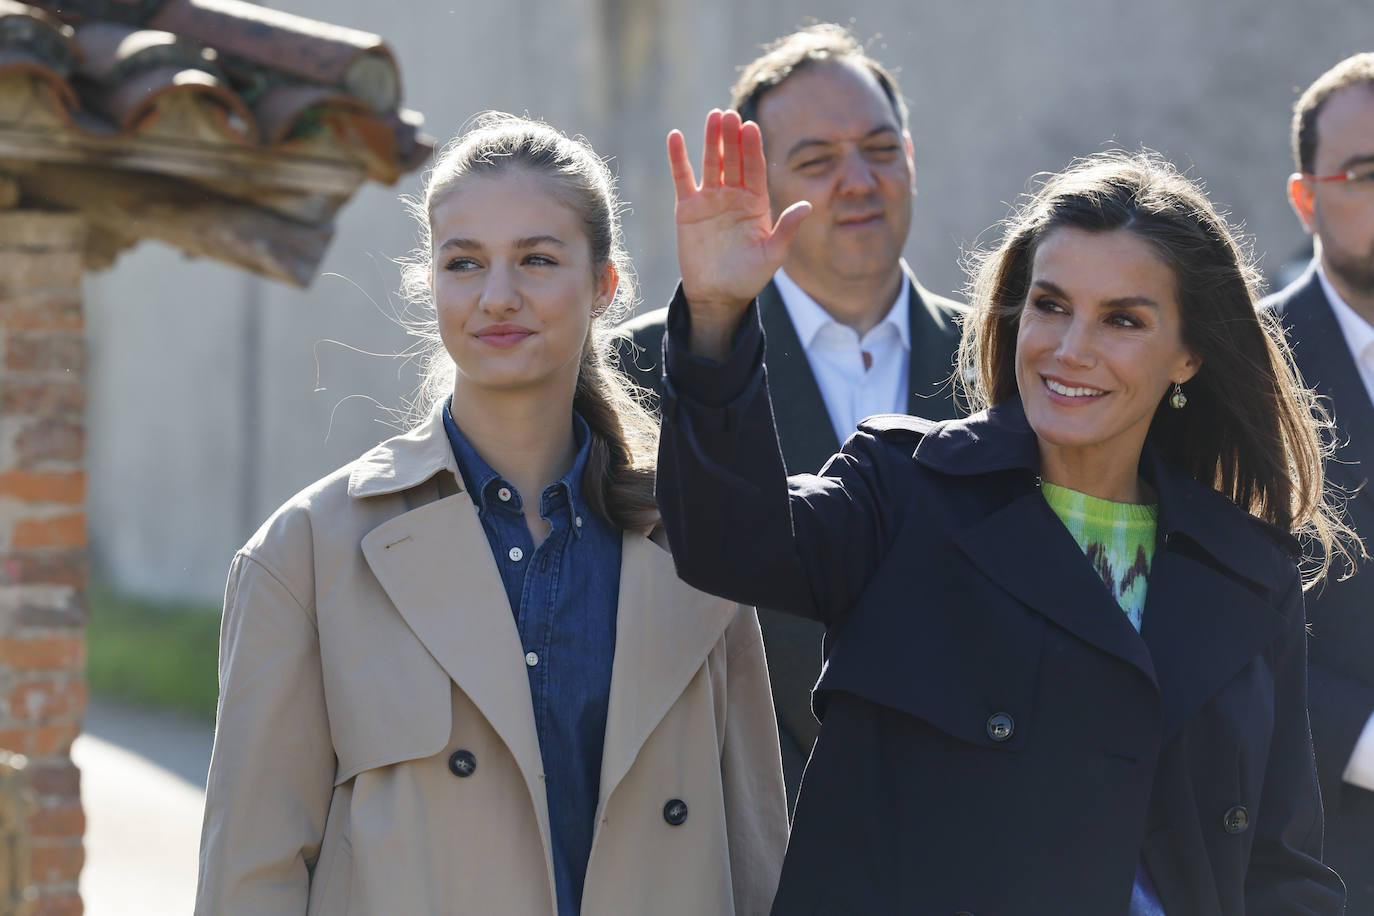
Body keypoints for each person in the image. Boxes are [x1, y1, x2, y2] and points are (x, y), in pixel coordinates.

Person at [654, 108, 1352, 913]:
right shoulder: (904, 489)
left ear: (1188, 354)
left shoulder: (1247, 570)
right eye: (1051, 305)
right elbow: (728, 541)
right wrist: (716, 316)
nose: (1071, 349)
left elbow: (1279, 865)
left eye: (1123, 320)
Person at [193, 113, 787, 916]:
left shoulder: (694, 542)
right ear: (430, 282)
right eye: (464, 263)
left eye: (537, 259)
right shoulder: (306, 552)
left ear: (604, 286)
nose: (497, 297)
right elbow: (249, 875)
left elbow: (756, 853)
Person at [617, 24, 966, 800]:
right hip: (747, 821)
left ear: (910, 159)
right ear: (759, 185)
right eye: (816, 161)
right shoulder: (643, 367)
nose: (858, 181)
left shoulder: (1013, 360)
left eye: (880, 149)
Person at [1261, 51, 1374, 911]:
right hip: (1326, 853)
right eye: (1365, 174)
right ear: (1306, 200)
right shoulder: (1243, 373)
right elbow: (1217, 616)